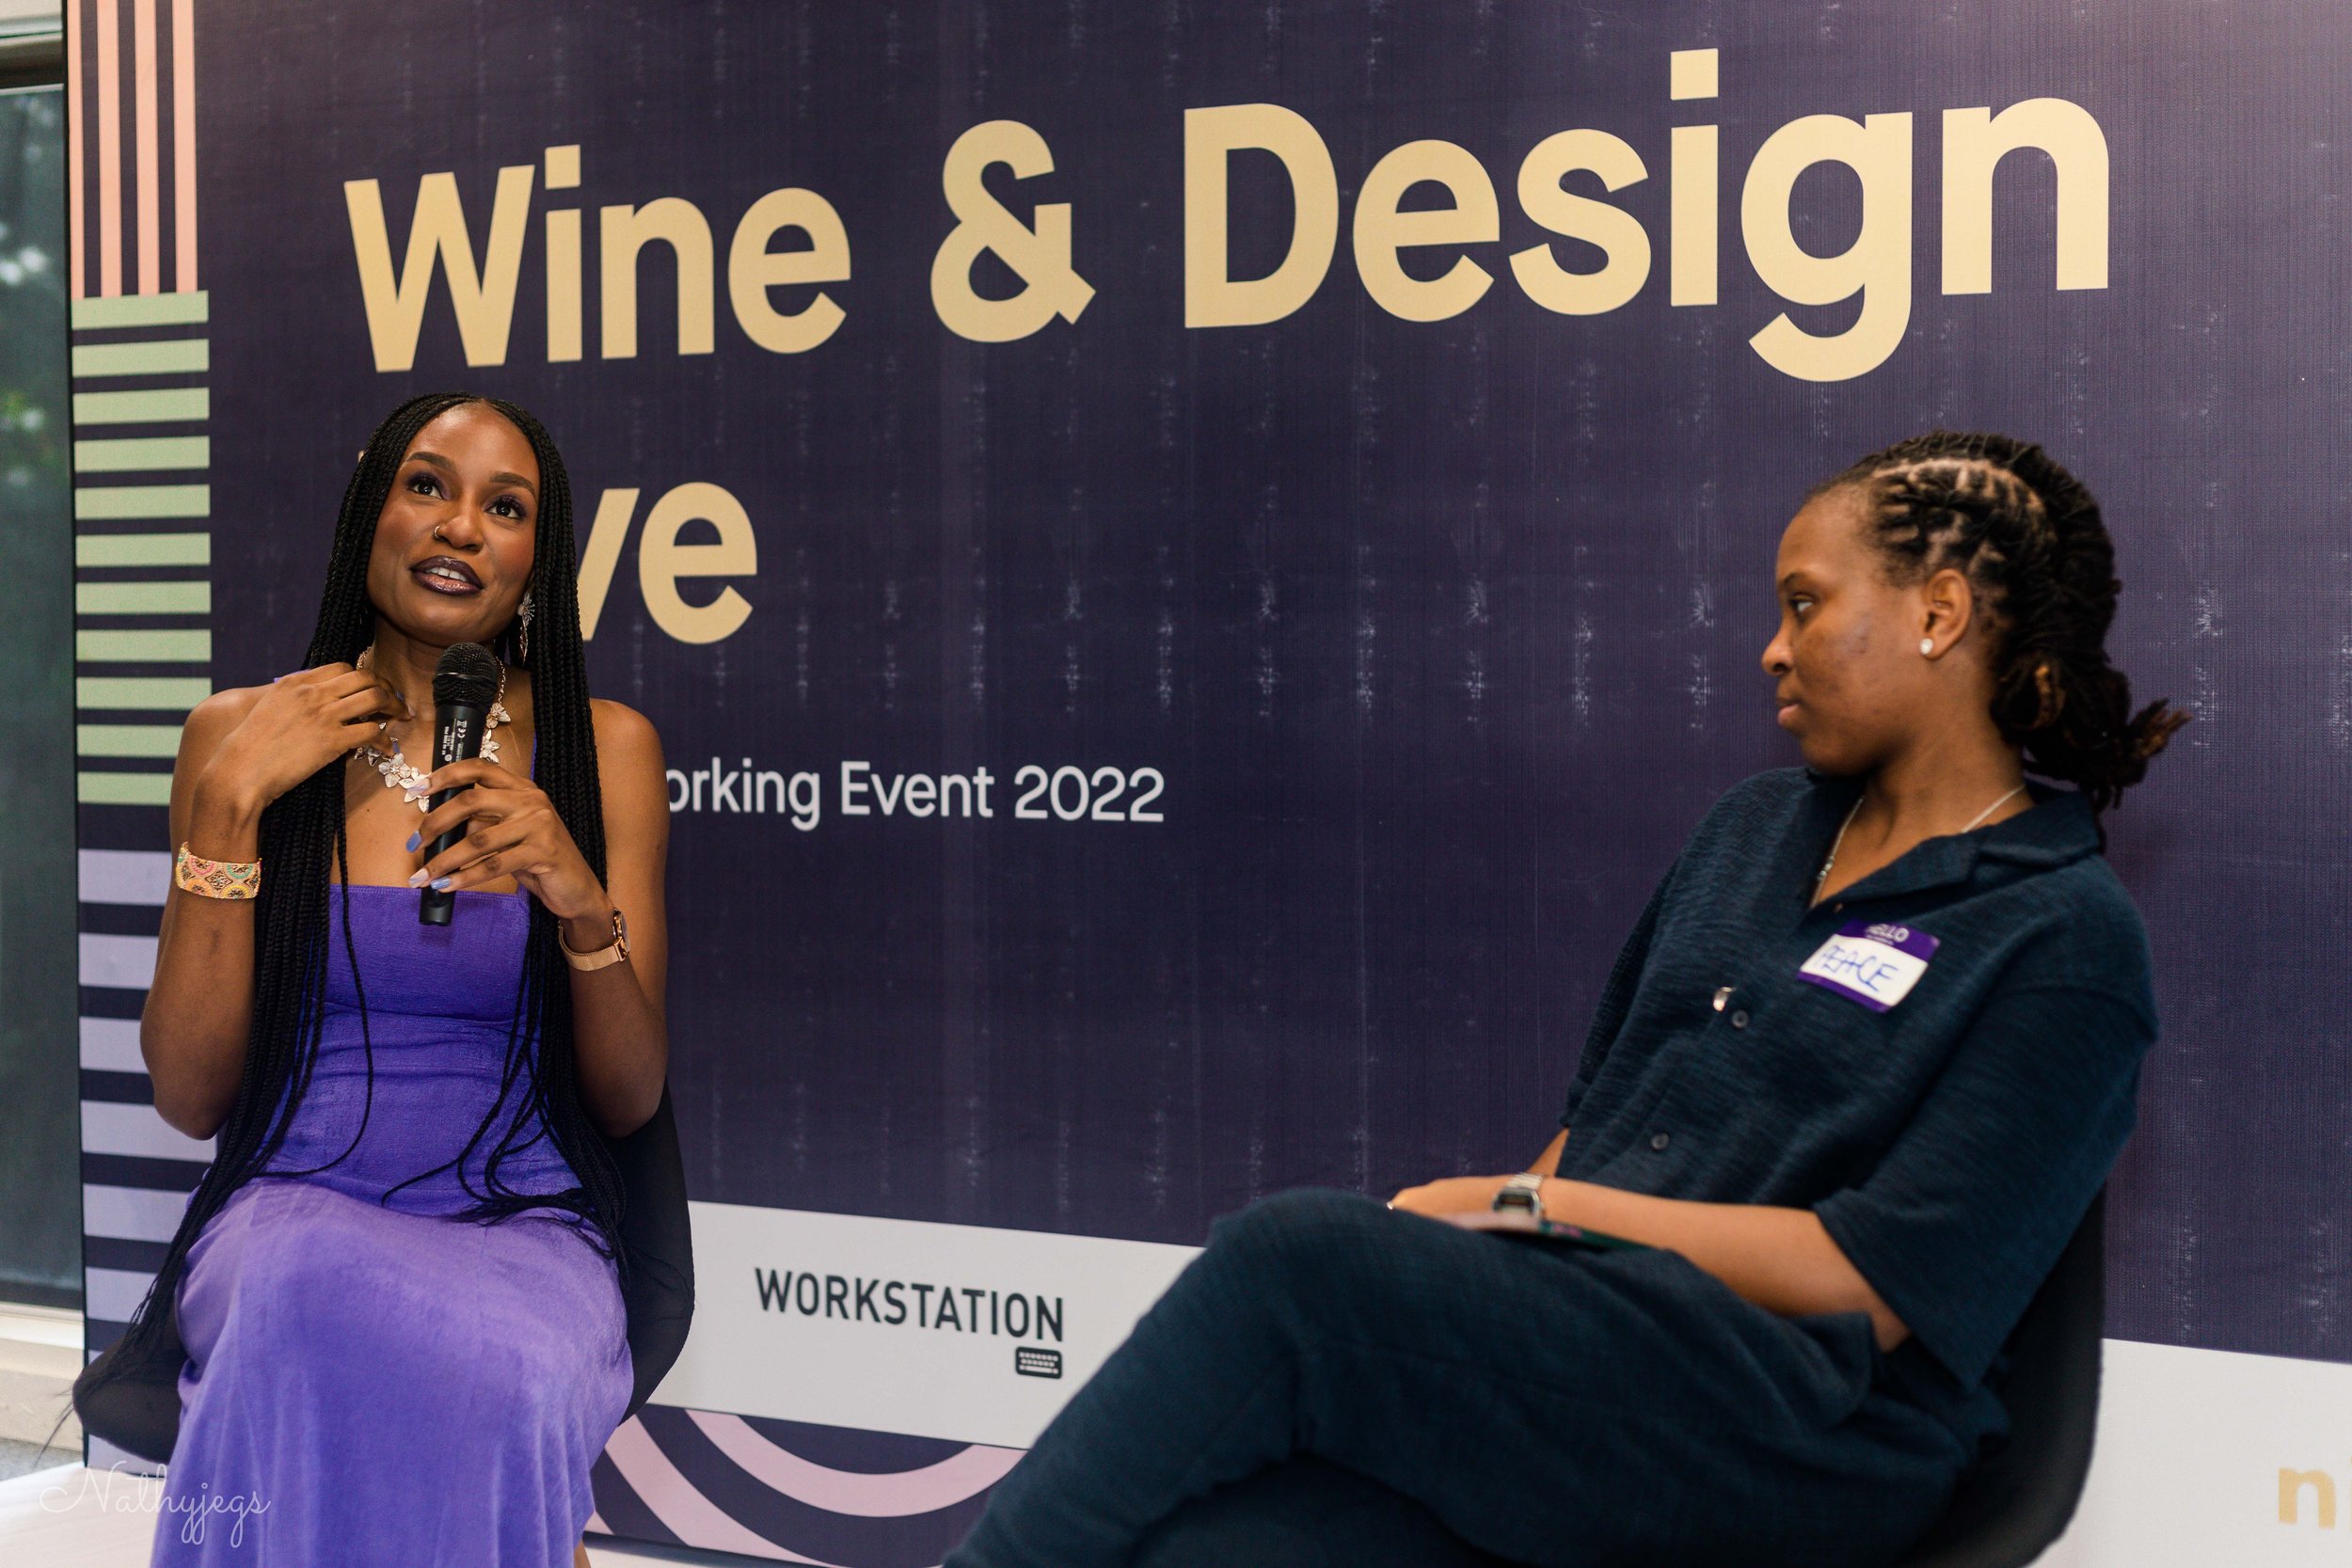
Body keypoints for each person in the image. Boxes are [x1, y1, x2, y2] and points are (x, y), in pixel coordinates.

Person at [944, 432, 2187, 1568]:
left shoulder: (2065, 934)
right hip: (1590, 1363)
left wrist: (1532, 1205)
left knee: (1293, 1258)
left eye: (1806, 604)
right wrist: (1491, 1251)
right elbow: (1602, 1115)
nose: (1773, 645)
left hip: (1803, 1431)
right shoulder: (1752, 831)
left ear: (1939, 613)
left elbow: (1870, 1282)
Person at [77, 392, 672, 1566]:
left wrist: (574, 889)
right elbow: (190, 1093)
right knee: (299, 1294)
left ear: (535, 561)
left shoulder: (605, 750)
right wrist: (233, 805)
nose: (461, 527)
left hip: (527, 1216)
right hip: (294, 1203)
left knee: (500, 1365)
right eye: (428, 485)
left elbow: (631, 1097)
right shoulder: (239, 734)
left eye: (505, 507)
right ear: (370, 513)